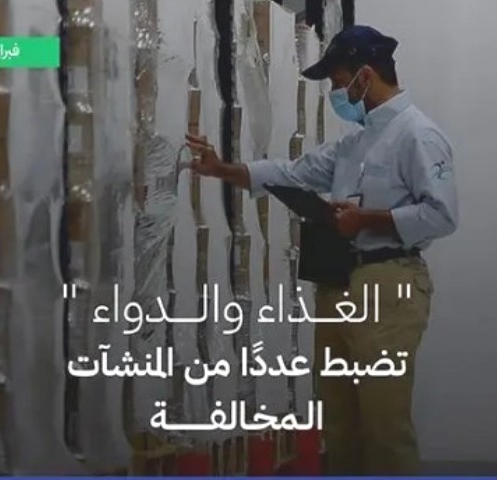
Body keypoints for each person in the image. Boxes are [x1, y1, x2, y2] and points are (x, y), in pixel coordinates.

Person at [185, 24, 458, 475]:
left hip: (387, 284)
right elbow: (291, 173)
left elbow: (441, 215)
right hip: (339, 283)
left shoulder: (418, 135)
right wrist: (221, 169)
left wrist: (366, 220)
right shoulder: (356, 143)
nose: (336, 93)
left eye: (338, 82)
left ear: (365, 76)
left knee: (383, 424)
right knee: (339, 422)